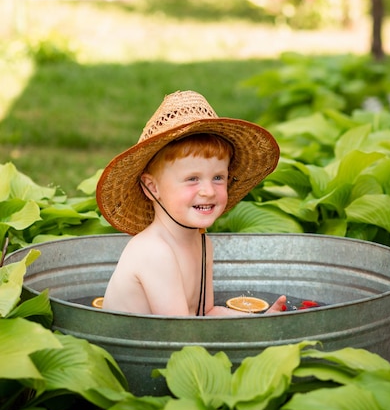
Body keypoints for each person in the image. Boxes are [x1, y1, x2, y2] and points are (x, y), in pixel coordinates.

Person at [96, 90, 286, 317]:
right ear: (151, 187)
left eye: (218, 178)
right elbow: (182, 333)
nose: (207, 191)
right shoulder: (154, 252)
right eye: (192, 179)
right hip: (129, 349)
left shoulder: (203, 243)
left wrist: (261, 323)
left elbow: (206, 313)